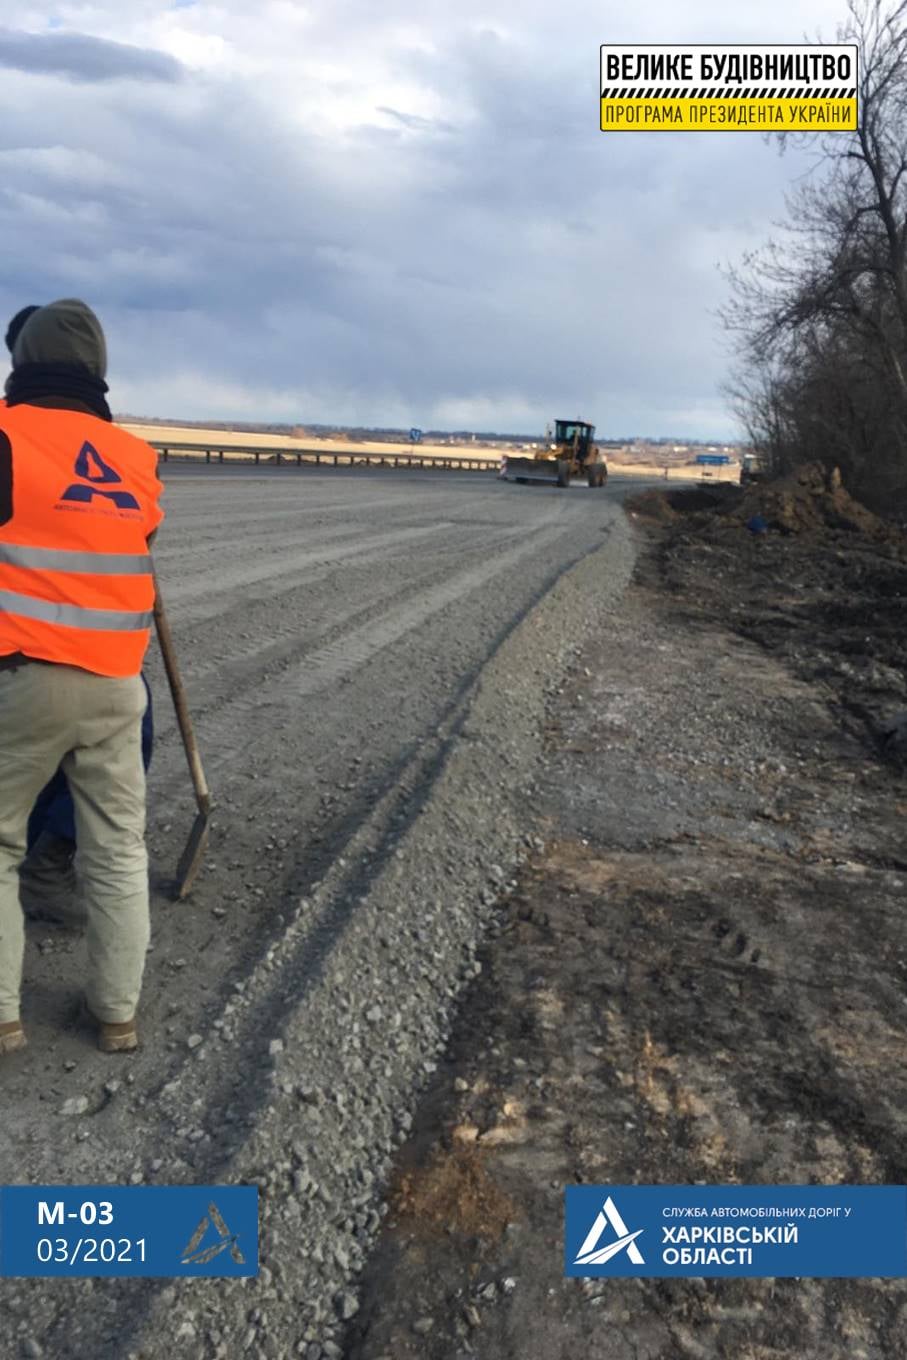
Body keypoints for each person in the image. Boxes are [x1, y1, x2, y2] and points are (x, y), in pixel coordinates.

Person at [0, 298, 164, 1054]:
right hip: (115, 685)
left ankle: (4, 1015)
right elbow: (137, 540)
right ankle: (116, 1015)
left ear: (21, 362)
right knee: (120, 850)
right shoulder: (133, 457)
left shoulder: (6, 437)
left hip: (22, 677)